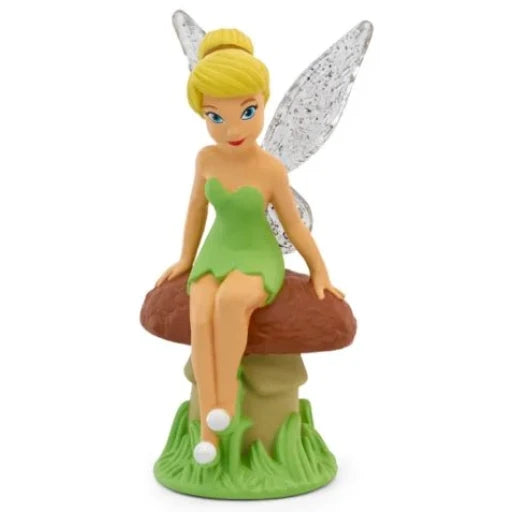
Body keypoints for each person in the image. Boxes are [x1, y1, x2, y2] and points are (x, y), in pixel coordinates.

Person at [156, 28, 344, 465]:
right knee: (201, 308)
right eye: (215, 116)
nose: (233, 128)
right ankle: (209, 430)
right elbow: (196, 211)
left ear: (263, 101)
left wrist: (319, 269)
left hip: (258, 255)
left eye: (247, 111)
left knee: (232, 302)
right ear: (203, 115)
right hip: (216, 252)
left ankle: (222, 405)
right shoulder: (206, 159)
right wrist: (185, 258)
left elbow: (293, 225)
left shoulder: (270, 169)